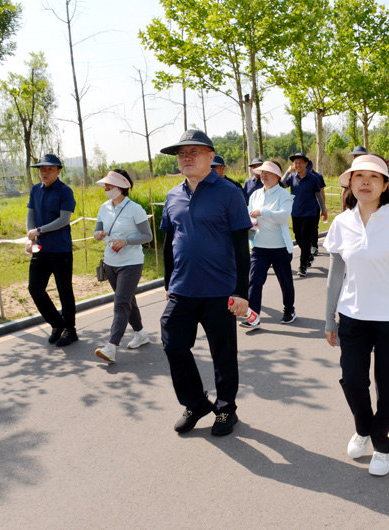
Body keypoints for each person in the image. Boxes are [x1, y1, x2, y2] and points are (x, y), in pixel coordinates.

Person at [324, 154, 389, 476]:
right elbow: (335, 274)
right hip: (352, 317)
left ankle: (382, 446)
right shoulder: (342, 223)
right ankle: (363, 429)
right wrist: (329, 318)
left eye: (373, 177)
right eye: (359, 176)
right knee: (353, 380)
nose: (365, 182)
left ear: (385, 185)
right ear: (350, 183)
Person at [159, 129, 252, 437]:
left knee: (223, 355)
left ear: (211, 157)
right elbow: (169, 242)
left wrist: (242, 292)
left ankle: (226, 409)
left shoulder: (228, 192)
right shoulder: (173, 195)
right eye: (181, 153)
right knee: (173, 345)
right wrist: (168, 282)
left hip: (220, 292)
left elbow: (241, 245)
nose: (186, 158)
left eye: (193, 152)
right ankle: (195, 402)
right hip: (182, 290)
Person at [93, 169, 154, 364]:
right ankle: (140, 333)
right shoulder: (104, 208)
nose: (106, 187)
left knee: (120, 303)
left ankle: (111, 347)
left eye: (109, 184)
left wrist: (125, 241)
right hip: (110, 263)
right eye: (105, 184)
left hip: (131, 263)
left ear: (122, 186)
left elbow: (147, 236)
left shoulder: (135, 208)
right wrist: (98, 235)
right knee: (128, 300)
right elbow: (97, 231)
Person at [26, 154, 78, 347]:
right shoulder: (35, 190)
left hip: (60, 249)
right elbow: (30, 215)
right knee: (35, 288)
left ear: (58, 171)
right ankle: (57, 324)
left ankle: (70, 330)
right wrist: (31, 236)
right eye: (42, 169)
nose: (45, 172)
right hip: (41, 249)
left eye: (50, 169)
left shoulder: (65, 191)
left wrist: (39, 230)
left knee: (64, 290)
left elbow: (64, 219)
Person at [245, 160, 296, 328]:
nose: (263, 175)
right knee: (254, 282)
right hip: (259, 247)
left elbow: (283, 216)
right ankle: (253, 316)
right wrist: (251, 237)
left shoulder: (284, 195)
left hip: (280, 247)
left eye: (268, 172)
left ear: (277, 176)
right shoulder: (255, 195)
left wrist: (263, 212)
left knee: (285, 282)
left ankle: (289, 310)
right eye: (262, 172)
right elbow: (250, 219)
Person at [282, 152, 326, 277]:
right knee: (298, 238)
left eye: (300, 163)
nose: (298, 165)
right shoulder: (292, 177)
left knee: (305, 238)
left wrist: (323, 209)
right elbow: (281, 184)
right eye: (295, 163)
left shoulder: (313, 178)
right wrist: (288, 171)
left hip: (310, 212)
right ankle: (308, 255)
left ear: (306, 164)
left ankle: (303, 266)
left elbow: (318, 194)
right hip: (296, 212)